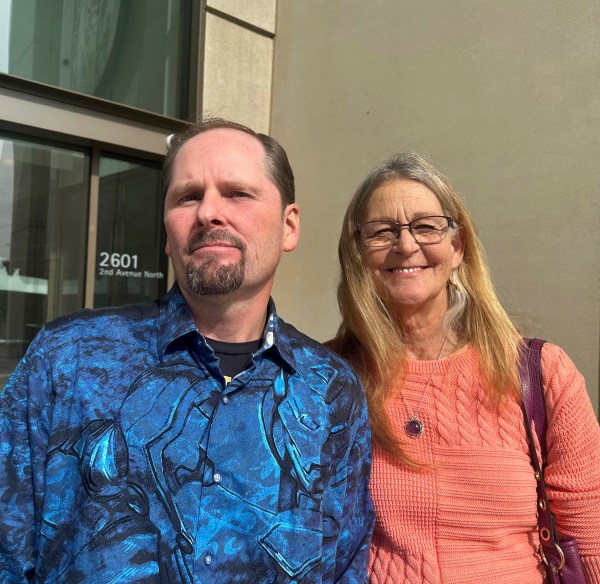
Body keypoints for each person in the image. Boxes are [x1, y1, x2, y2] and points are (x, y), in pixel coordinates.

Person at [0, 117, 375, 583]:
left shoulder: (331, 392)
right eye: (188, 196)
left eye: (237, 193)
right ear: (166, 233)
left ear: (289, 226)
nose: (208, 213)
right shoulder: (67, 359)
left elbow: (344, 564)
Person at [327, 151, 600, 583]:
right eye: (382, 232)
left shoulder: (540, 373)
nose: (406, 244)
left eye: (425, 226)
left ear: (457, 248)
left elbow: (589, 540)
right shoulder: (326, 378)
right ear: (358, 253)